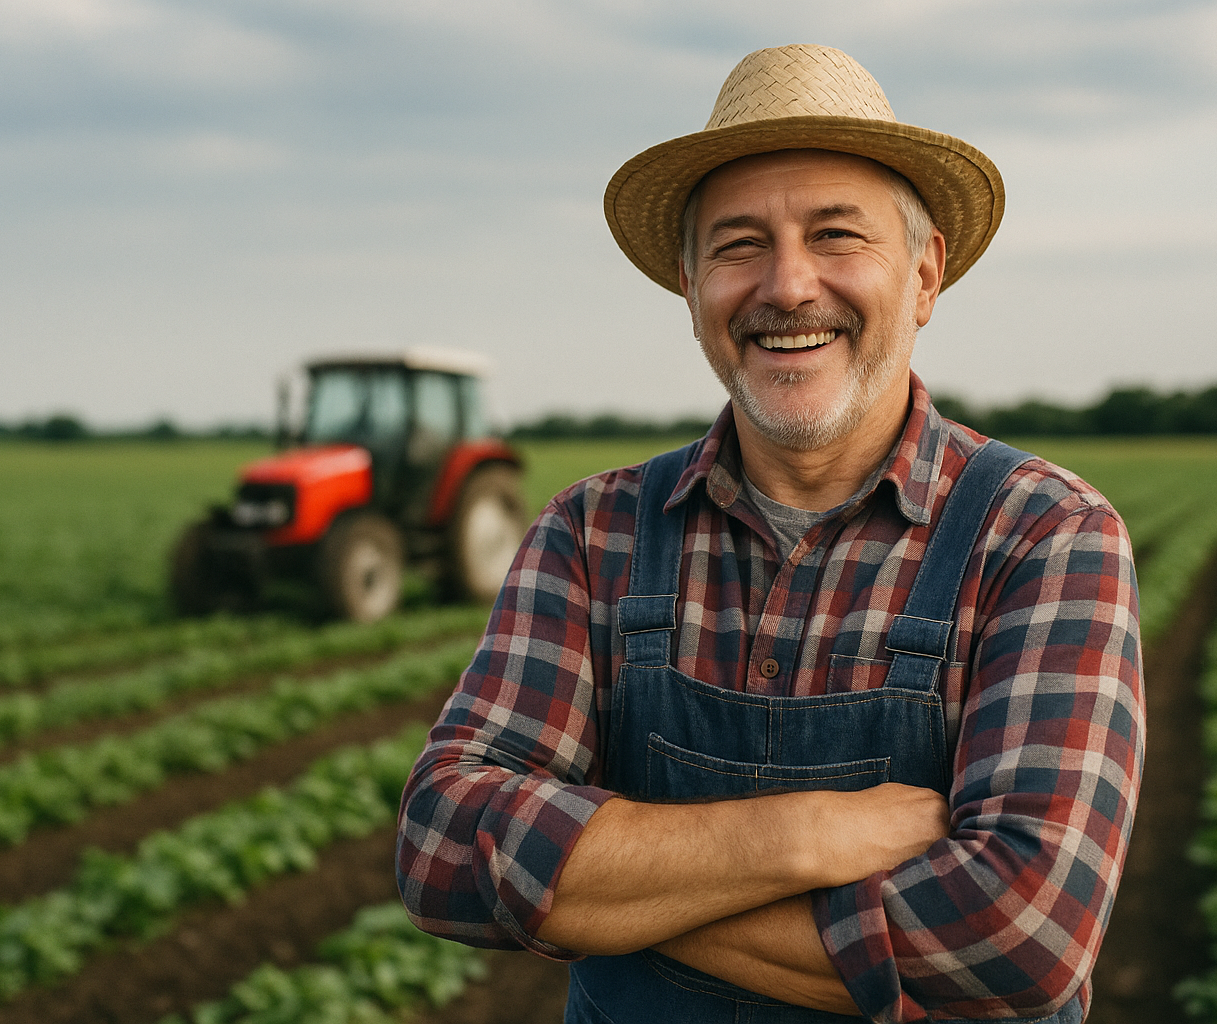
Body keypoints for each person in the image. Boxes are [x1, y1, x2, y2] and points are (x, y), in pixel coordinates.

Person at [396, 44, 1143, 1024]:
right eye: (740, 244)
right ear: (691, 285)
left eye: (836, 235)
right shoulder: (593, 533)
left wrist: (606, 894)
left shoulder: (1045, 536)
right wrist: (806, 837)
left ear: (924, 275)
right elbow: (444, 845)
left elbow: (1018, 937)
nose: (788, 286)